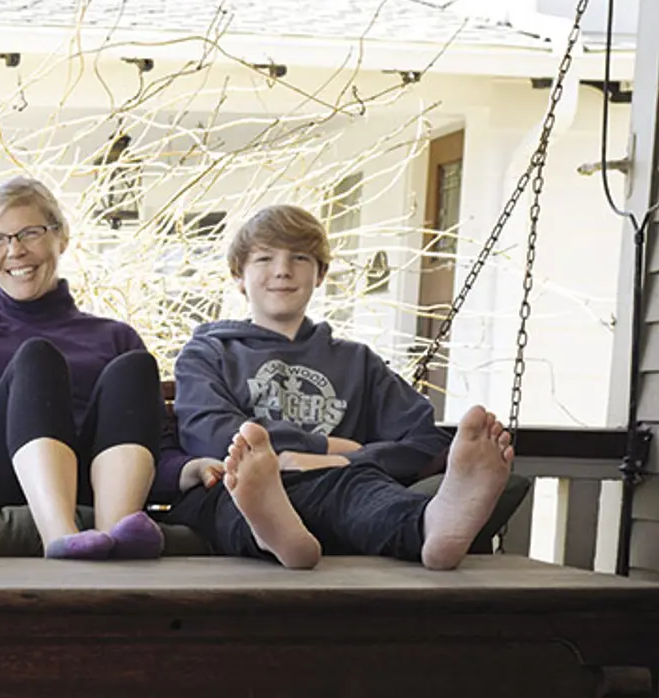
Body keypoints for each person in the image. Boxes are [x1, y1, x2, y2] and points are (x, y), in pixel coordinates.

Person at [169, 204, 515, 570]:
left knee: (360, 490)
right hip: (238, 490)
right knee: (230, 496)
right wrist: (318, 446)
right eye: (264, 259)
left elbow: (424, 441)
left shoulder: (357, 362)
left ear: (320, 274)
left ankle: (431, 528)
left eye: (299, 258)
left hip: (334, 485)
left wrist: (341, 460)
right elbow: (209, 434)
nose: (283, 270)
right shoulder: (209, 353)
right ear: (239, 276)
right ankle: (269, 532)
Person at [0, 175, 167, 559]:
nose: (15, 250)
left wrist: (191, 470)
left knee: (135, 366)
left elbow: (151, 437)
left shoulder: (114, 337)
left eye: (30, 233)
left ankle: (115, 534)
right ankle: (60, 538)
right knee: (37, 357)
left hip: (90, 479)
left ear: (62, 237)